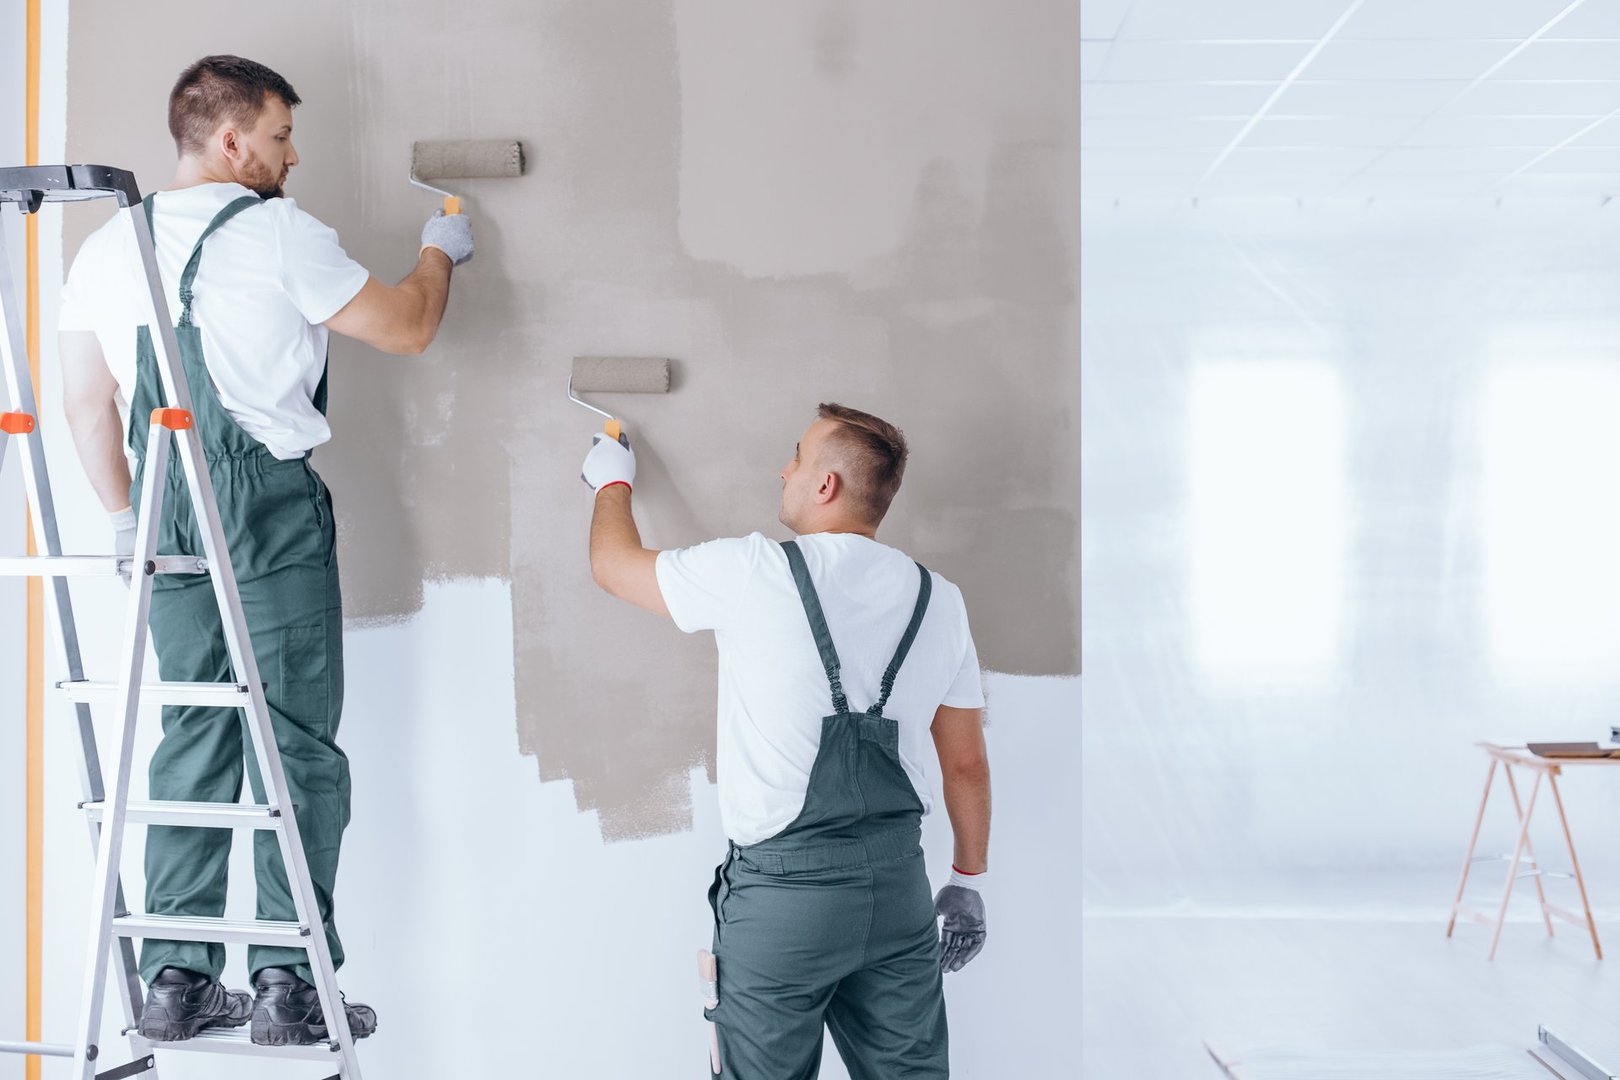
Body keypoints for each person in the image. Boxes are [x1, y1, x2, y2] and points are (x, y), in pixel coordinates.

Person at [58, 54, 472, 1045]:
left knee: (192, 737)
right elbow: (409, 329)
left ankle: (176, 980)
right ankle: (289, 984)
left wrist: (126, 522)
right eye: (282, 136)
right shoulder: (283, 233)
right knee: (294, 747)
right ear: (234, 140)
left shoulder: (109, 246)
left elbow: (85, 404)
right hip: (266, 510)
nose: (294, 155)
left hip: (162, 507)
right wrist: (440, 250)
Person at [584, 402, 992, 1077]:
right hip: (898, 896)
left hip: (784, 909)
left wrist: (611, 481)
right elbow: (967, 763)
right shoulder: (938, 599)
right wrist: (968, 880)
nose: (786, 468)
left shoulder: (756, 571)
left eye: (797, 457)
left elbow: (613, 565)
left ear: (825, 485)